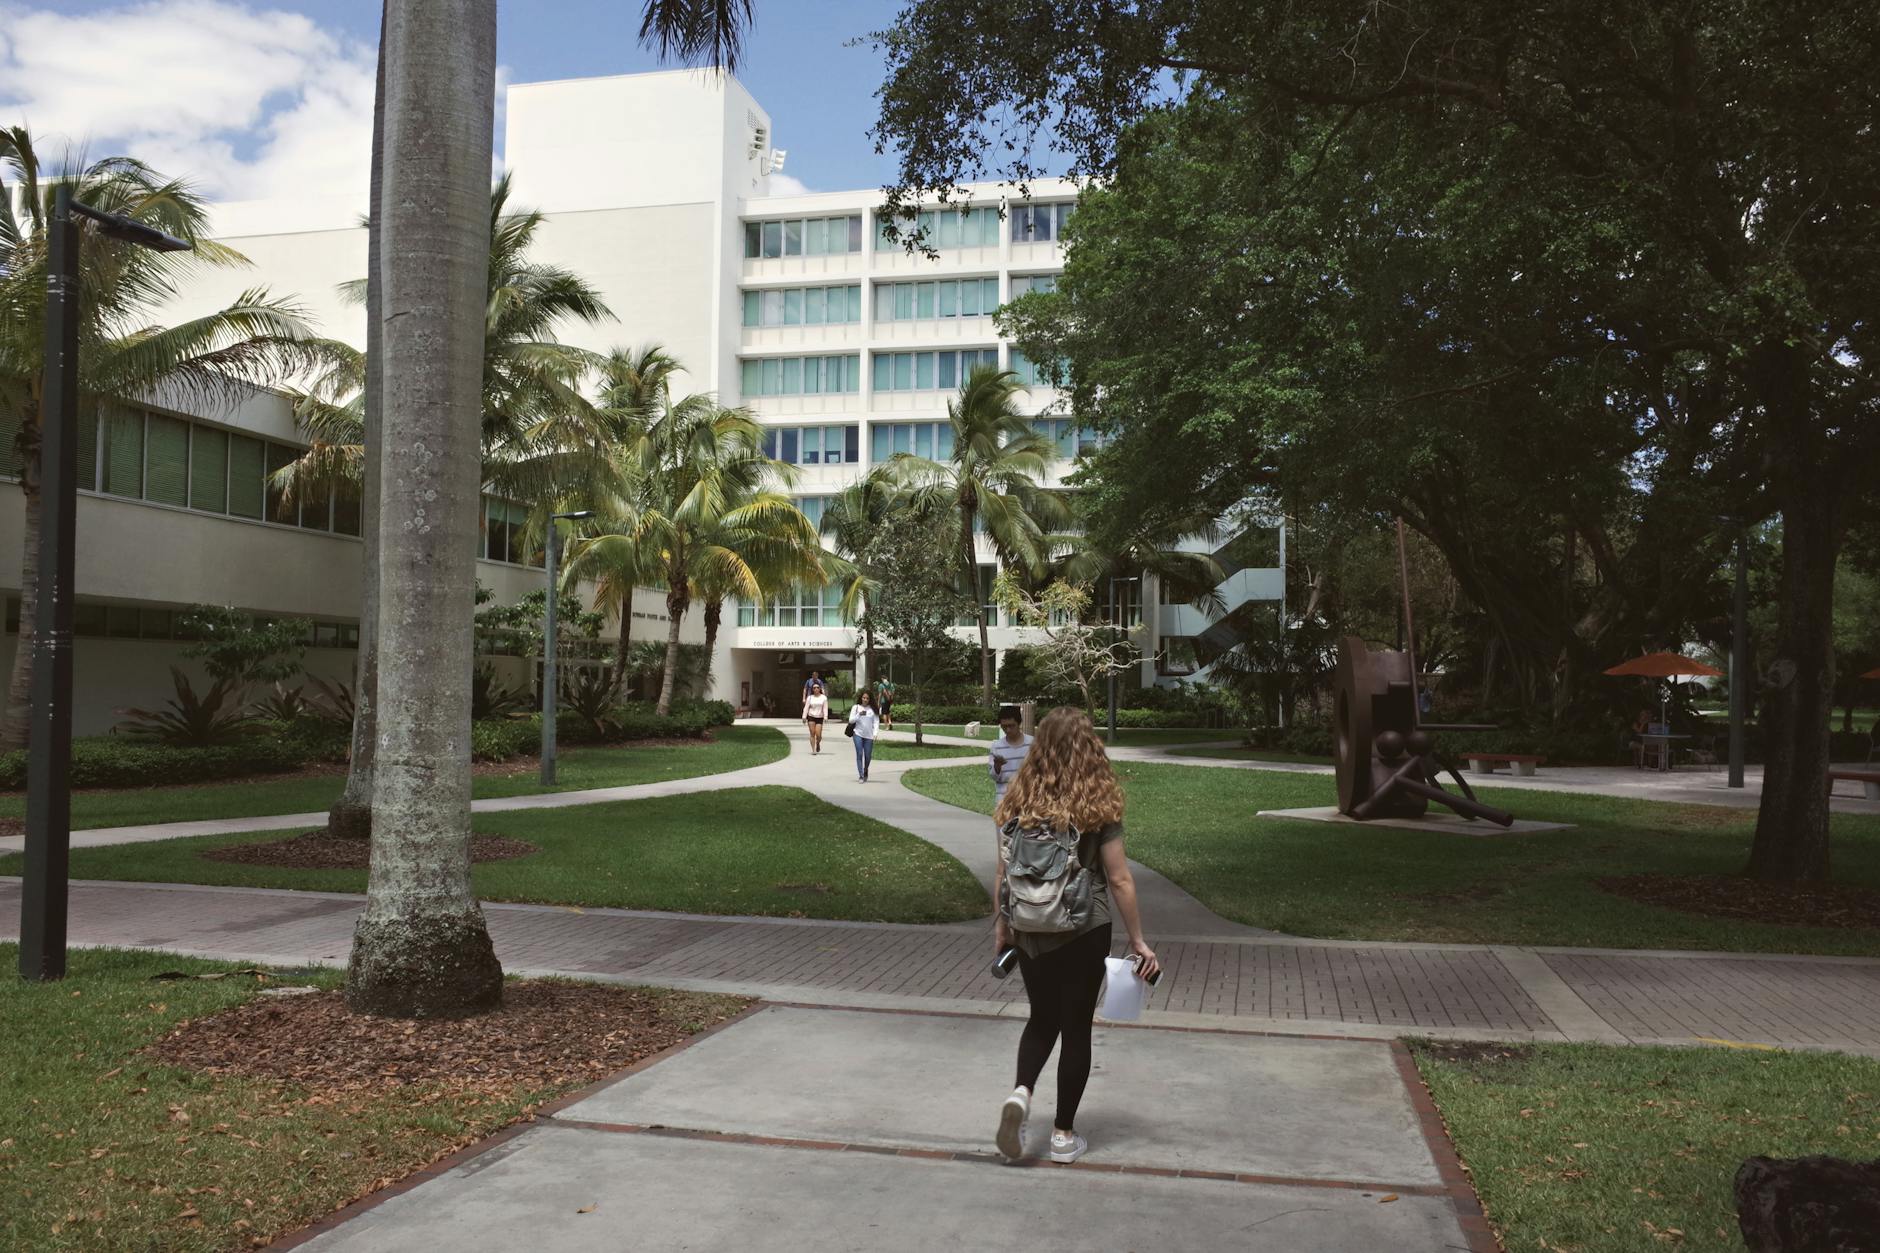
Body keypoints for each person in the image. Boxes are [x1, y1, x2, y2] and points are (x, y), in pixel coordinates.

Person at [992, 707, 1158, 1166]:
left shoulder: (1015, 804)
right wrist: (1139, 941)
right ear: (1089, 747)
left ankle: (1022, 1095)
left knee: (1040, 1018)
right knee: (1076, 1027)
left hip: (1028, 927)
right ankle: (1063, 1135)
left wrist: (1002, 928)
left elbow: (1003, 873)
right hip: (1085, 928)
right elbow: (1120, 879)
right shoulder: (1096, 805)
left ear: (1039, 745)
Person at [988, 704, 1031, 809]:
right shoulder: (997, 746)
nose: (1008, 730)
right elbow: (993, 776)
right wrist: (997, 766)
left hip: (1027, 799)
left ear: (1019, 723)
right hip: (1004, 799)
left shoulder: (1033, 744)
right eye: (1004, 726)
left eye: (1011, 726)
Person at [846, 690, 879, 782]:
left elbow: (876, 722)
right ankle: (861, 775)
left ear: (870, 699)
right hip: (857, 734)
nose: (865, 700)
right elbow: (851, 720)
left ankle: (865, 770)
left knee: (868, 756)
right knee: (859, 754)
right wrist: (859, 714)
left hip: (869, 736)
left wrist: (875, 733)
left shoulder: (872, 709)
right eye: (864, 698)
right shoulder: (856, 707)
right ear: (861, 698)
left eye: (867, 698)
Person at [803, 681, 829, 754]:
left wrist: (825, 716)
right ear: (812, 689)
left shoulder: (823, 698)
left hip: (819, 717)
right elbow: (806, 707)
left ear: (820, 689)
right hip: (811, 716)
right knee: (812, 733)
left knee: (818, 735)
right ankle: (813, 750)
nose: (816, 689)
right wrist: (804, 717)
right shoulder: (810, 698)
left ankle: (818, 743)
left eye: (818, 687)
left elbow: (825, 708)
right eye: (814, 688)